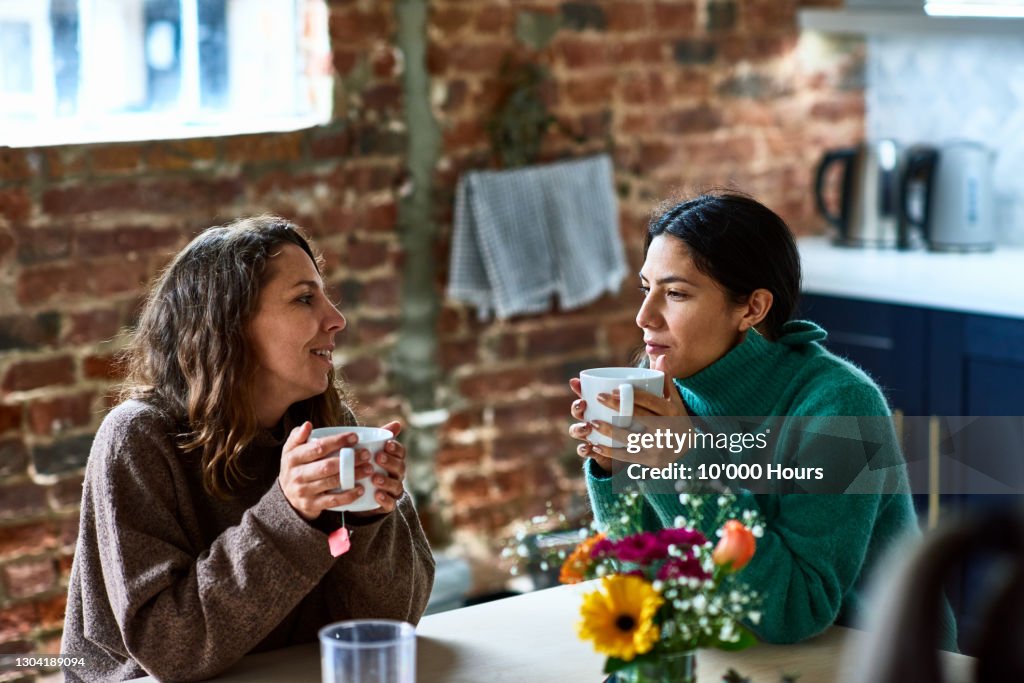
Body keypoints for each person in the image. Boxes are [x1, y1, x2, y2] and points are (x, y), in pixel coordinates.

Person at [568, 191, 957, 648]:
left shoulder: (840, 406)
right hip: (746, 658)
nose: (644, 316)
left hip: (881, 660)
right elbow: (644, 586)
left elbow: (793, 611)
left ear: (752, 308)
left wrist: (685, 464)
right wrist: (616, 472)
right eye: (645, 288)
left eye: (675, 293)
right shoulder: (664, 396)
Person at [62, 217, 435, 681]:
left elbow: (392, 625)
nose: (337, 319)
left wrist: (366, 518)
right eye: (304, 298)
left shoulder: (325, 429)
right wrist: (290, 516)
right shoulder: (138, 439)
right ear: (229, 324)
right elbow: (169, 649)